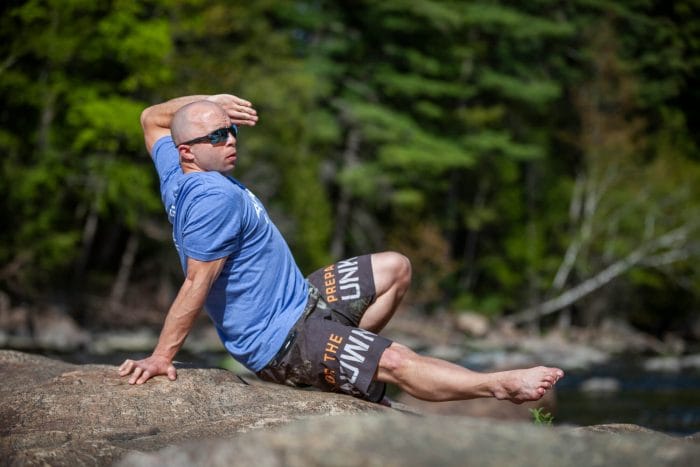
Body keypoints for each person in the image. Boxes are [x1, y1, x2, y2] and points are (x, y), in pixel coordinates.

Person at [118, 93, 564, 404]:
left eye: (230, 130)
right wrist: (161, 357)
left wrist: (209, 103)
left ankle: (345, 362)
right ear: (188, 152)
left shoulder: (176, 172)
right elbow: (197, 282)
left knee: (395, 267)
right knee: (396, 359)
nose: (231, 139)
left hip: (300, 300)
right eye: (217, 136)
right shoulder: (215, 200)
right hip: (282, 341)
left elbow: (151, 117)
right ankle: (497, 387)